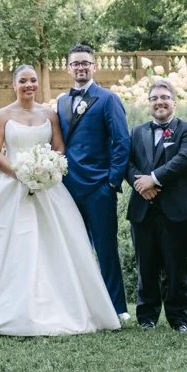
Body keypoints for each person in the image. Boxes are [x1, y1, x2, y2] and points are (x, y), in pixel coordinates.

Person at [0, 64, 121, 336]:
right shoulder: (3, 115)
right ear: (14, 85)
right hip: (10, 184)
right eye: (23, 81)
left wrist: (48, 168)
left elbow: (59, 146)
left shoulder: (49, 113)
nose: (29, 85)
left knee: (56, 246)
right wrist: (16, 172)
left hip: (46, 187)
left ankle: (60, 306)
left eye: (33, 81)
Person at [56, 43, 131, 319]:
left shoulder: (108, 99)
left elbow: (121, 141)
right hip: (68, 187)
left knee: (106, 248)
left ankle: (117, 308)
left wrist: (111, 182)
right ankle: (80, 306)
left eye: (85, 62)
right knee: (75, 248)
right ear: (68, 68)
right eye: (75, 63)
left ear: (94, 67)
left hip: (99, 187)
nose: (80, 67)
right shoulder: (62, 101)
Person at [125, 79, 187, 332]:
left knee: (178, 267)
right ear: (149, 104)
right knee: (146, 266)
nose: (160, 102)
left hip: (177, 209)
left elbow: (184, 160)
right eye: (155, 98)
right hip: (142, 209)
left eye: (165, 97)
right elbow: (128, 163)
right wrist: (140, 185)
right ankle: (146, 317)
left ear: (174, 102)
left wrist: (153, 179)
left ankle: (179, 319)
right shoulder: (137, 132)